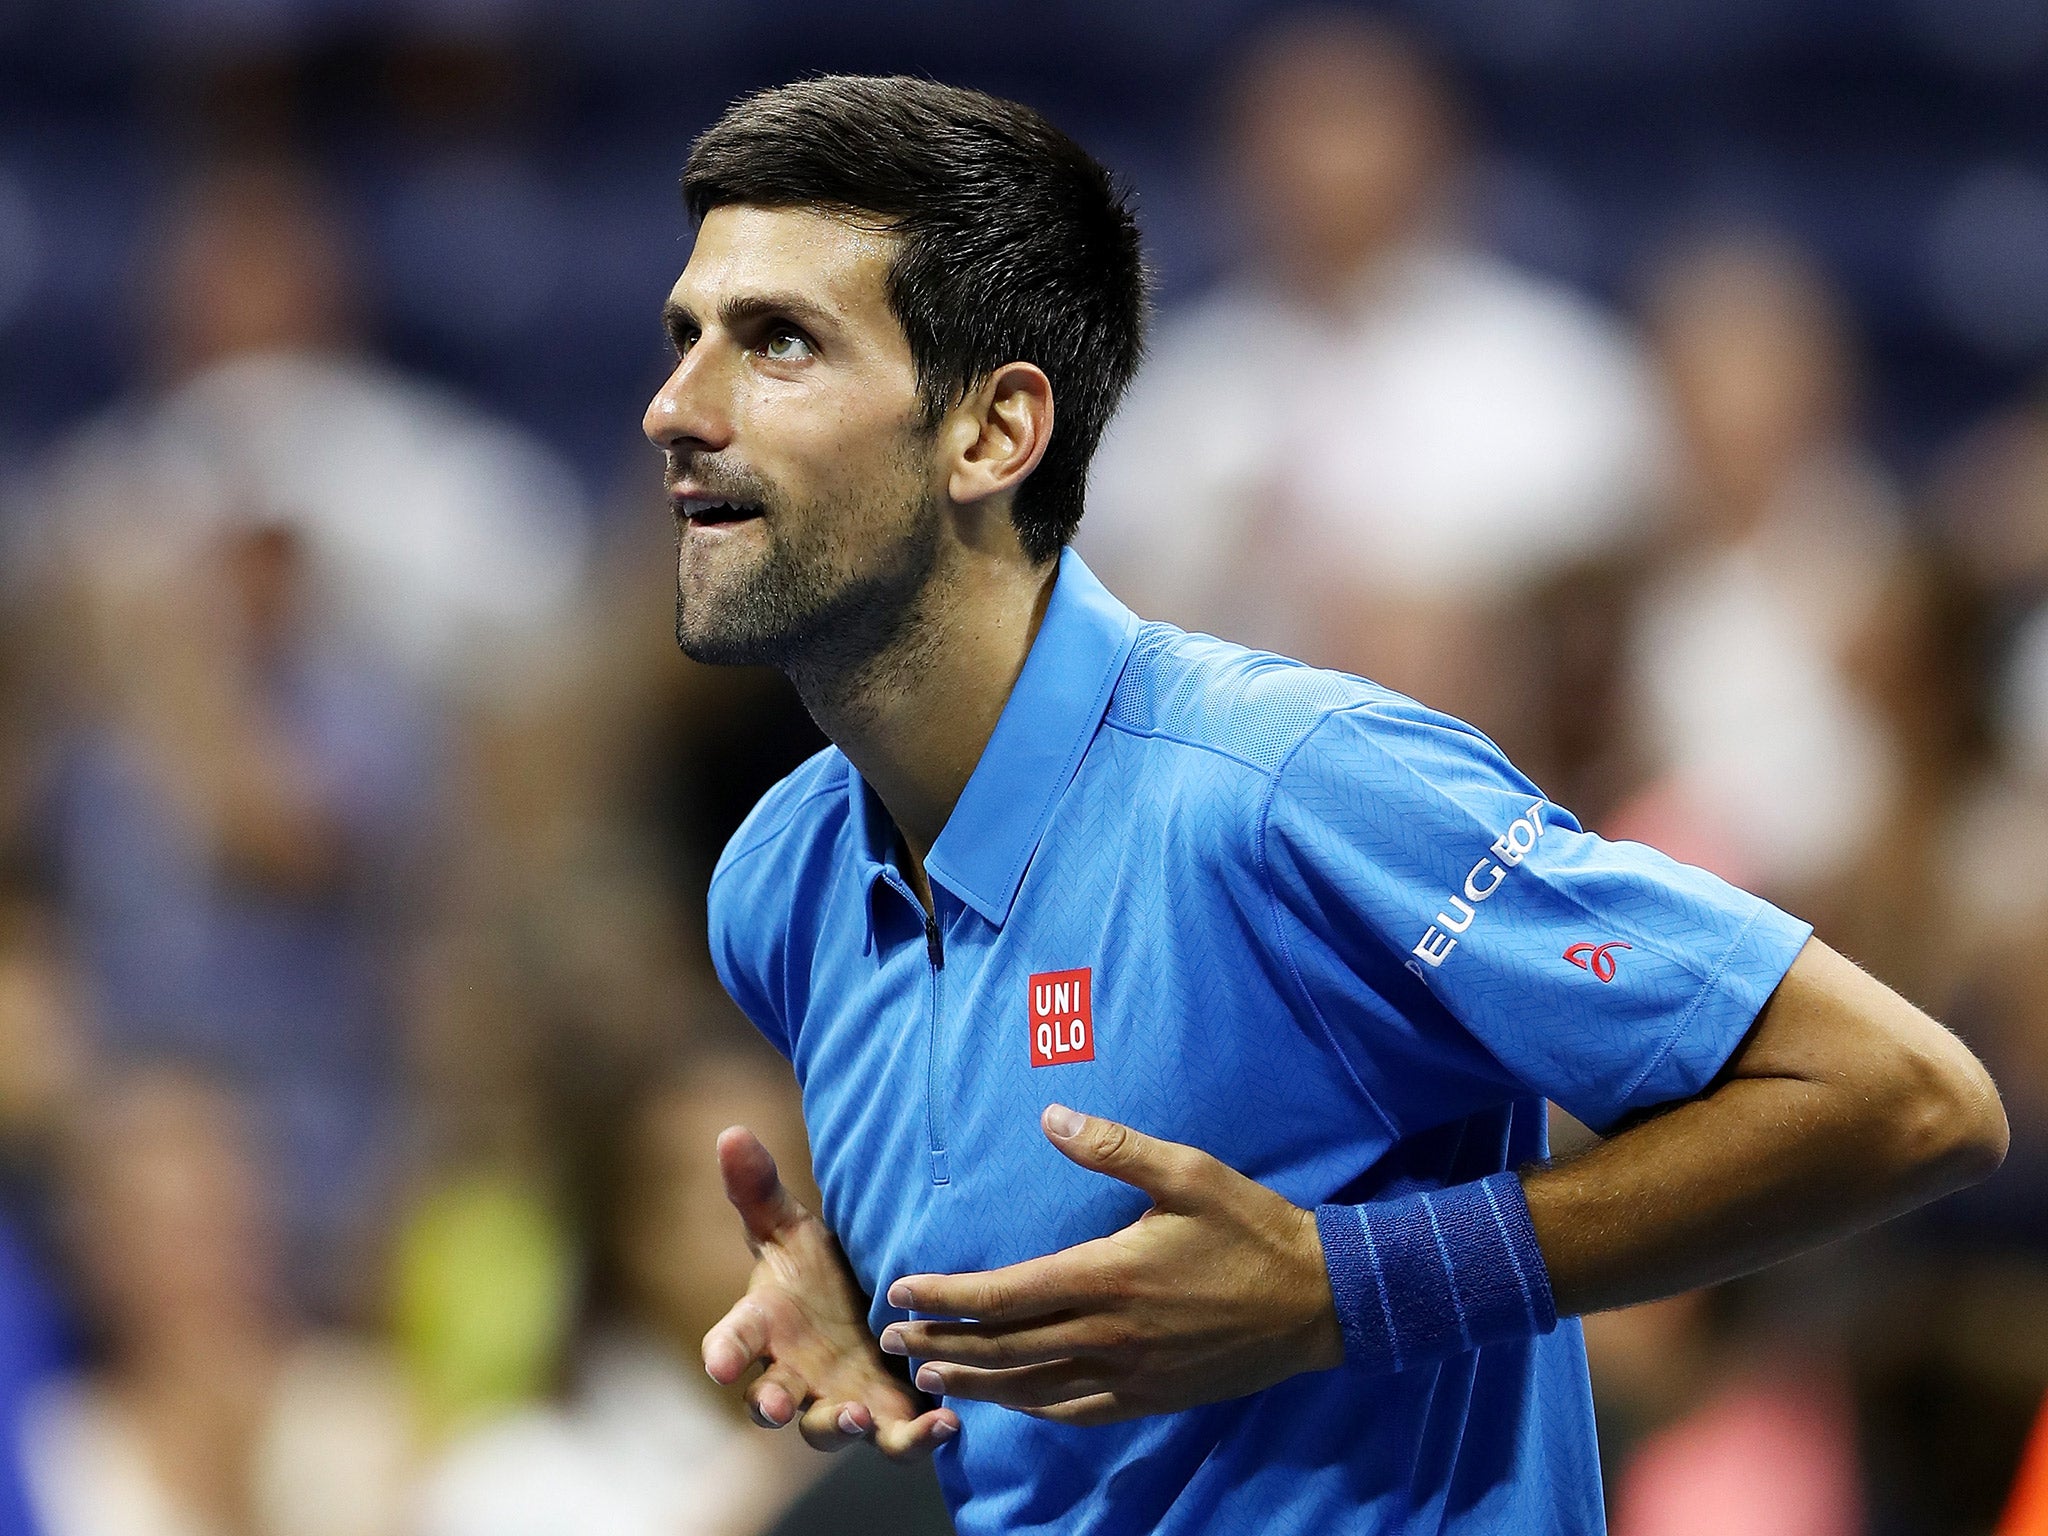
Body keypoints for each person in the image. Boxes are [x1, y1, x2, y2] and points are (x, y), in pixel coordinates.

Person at [642, 76, 2008, 1535]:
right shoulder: (776, 886)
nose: (677, 407)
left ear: (993, 433)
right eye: (686, 338)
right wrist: (867, 1312)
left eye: (777, 343)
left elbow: (1905, 1098)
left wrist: (1344, 1290)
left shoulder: (1288, 789)